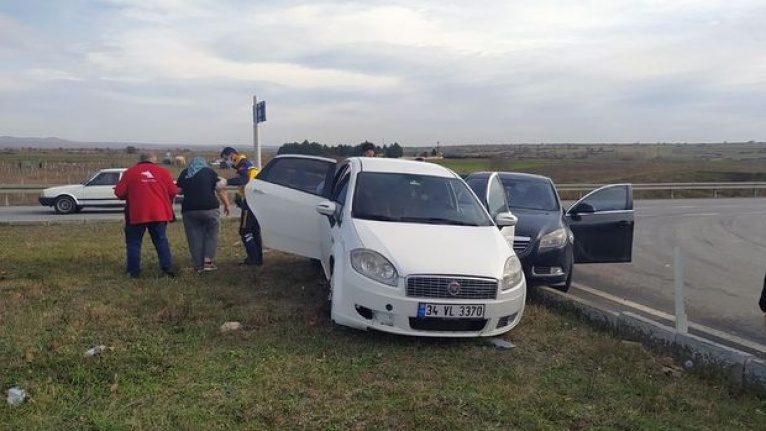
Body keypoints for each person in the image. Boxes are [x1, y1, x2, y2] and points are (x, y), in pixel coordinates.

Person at [114, 153, 179, 278]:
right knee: (161, 240)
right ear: (153, 160)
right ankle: (168, 269)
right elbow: (173, 191)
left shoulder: (130, 172)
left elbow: (119, 192)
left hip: (136, 213)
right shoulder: (163, 172)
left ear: (140, 160)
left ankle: (133, 272)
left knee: (133, 242)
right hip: (159, 213)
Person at [176, 157, 231, 273]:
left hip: (189, 210)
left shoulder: (185, 173)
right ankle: (208, 262)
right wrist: (226, 205)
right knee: (211, 234)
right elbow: (219, 189)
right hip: (209, 208)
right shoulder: (209, 171)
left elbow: (178, 191)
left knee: (194, 237)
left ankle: (198, 266)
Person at [220, 146, 262, 266]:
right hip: (255, 201)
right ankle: (258, 259)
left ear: (232, 155)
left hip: (250, 202)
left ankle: (252, 259)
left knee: (244, 231)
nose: (227, 162)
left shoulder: (243, 164)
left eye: (226, 158)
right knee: (254, 231)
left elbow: (242, 179)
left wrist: (226, 182)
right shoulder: (247, 163)